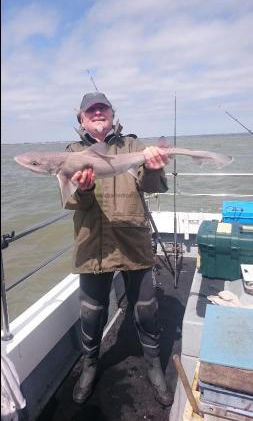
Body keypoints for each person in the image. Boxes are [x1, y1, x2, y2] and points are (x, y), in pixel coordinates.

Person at [65, 92, 172, 407]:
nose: (98, 113)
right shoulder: (72, 153)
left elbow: (153, 186)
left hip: (133, 241)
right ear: (82, 119)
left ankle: (153, 365)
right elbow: (70, 201)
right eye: (90, 110)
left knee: (147, 308)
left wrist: (153, 168)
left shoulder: (134, 147)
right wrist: (83, 188)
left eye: (103, 108)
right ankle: (91, 364)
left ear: (112, 114)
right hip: (92, 243)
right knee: (91, 312)